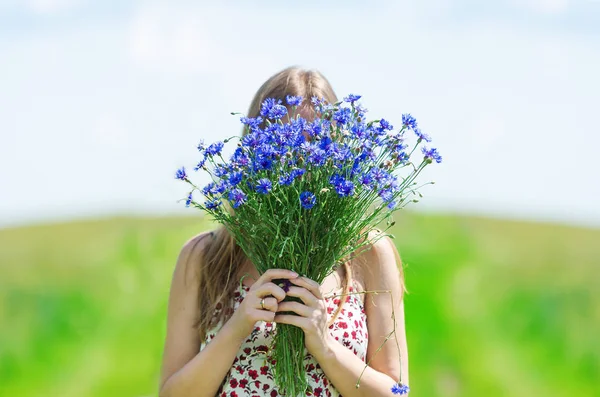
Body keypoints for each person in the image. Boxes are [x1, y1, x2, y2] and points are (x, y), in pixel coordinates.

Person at [159, 66, 409, 397]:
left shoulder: (370, 253)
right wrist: (237, 327)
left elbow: (399, 394)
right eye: (285, 140)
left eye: (315, 141)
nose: (298, 157)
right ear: (254, 149)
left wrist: (325, 345)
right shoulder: (205, 257)